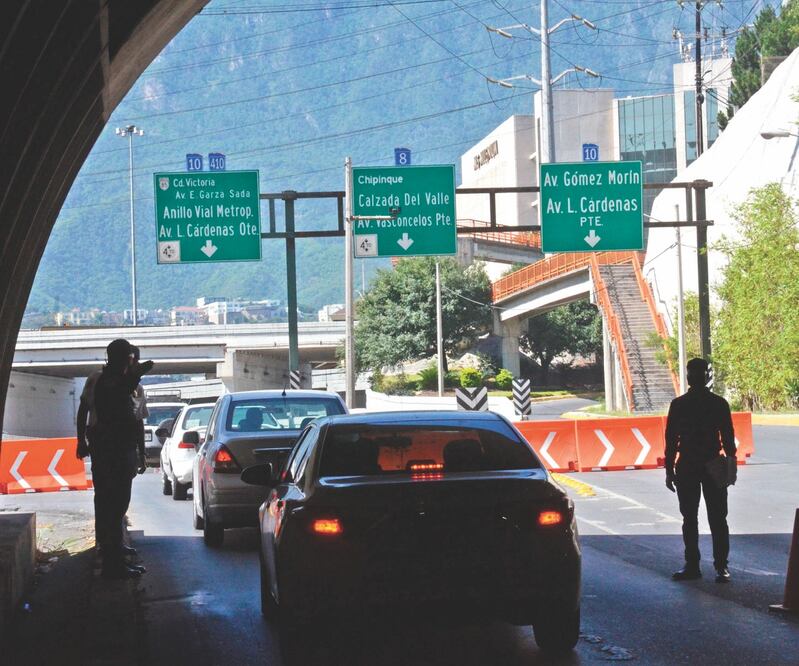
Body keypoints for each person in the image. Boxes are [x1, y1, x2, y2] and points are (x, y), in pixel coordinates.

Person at [76, 339, 153, 579]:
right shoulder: (110, 382)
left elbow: (135, 419)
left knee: (113, 504)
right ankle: (112, 562)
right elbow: (112, 401)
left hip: (114, 449)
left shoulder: (116, 381)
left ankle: (113, 554)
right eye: (129, 358)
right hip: (113, 450)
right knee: (113, 504)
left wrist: (140, 452)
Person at [665, 357, 737, 583]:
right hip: (712, 464)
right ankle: (721, 566)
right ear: (708, 377)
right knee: (718, 518)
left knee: (690, 518)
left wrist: (669, 469)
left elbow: (671, 440)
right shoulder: (718, 403)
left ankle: (693, 565)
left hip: (688, 465)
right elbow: (728, 438)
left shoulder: (679, 404)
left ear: (688, 377)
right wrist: (731, 466)